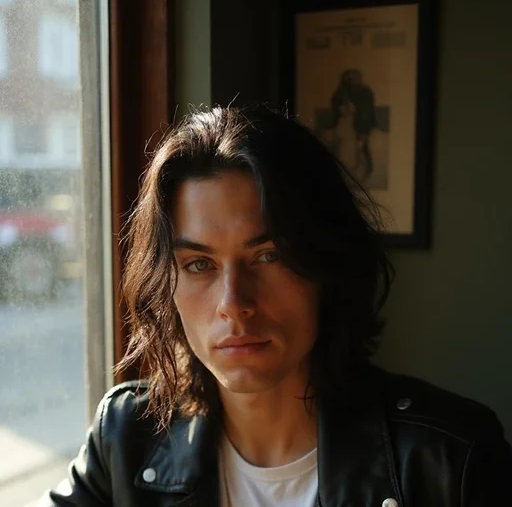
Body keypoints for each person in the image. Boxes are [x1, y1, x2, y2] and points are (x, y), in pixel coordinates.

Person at [40, 106, 512, 506]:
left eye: (269, 256)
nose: (234, 304)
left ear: (327, 265)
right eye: (200, 264)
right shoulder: (125, 438)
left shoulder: (449, 457)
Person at [330, 69, 376, 182]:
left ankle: (366, 170)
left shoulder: (365, 92)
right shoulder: (343, 91)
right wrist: (341, 108)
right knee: (345, 149)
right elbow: (335, 102)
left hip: (362, 126)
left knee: (361, 148)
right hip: (348, 126)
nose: (351, 80)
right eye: (349, 78)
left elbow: (366, 111)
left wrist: (354, 109)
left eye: (354, 77)